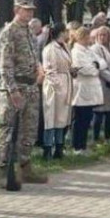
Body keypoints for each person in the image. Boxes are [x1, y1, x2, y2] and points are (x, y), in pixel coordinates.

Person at [0, 0, 47, 184]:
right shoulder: (8, 32)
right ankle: (4, 170)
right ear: (16, 10)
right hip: (14, 87)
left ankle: (25, 166)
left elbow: (34, 57)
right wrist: (13, 90)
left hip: (31, 86)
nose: (30, 12)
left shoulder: (30, 33)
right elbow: (5, 64)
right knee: (8, 129)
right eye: (26, 9)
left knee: (29, 130)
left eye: (31, 9)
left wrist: (39, 69)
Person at [70, 26, 105, 154]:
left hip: (91, 89)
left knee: (87, 119)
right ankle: (77, 146)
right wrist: (96, 67)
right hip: (82, 89)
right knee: (80, 119)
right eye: (88, 37)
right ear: (82, 37)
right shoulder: (76, 52)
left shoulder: (89, 51)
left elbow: (102, 62)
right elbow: (84, 69)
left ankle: (83, 145)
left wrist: (96, 66)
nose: (90, 39)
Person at [41, 23, 73, 160]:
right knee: (51, 117)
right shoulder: (50, 49)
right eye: (66, 31)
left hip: (65, 82)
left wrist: (72, 71)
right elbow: (50, 70)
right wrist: (59, 87)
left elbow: (67, 64)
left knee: (61, 118)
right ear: (61, 32)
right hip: (54, 88)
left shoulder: (65, 47)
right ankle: (47, 148)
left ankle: (59, 147)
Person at [91, 26, 110, 143]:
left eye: (104, 35)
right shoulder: (95, 49)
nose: (102, 37)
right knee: (99, 111)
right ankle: (96, 137)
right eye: (100, 35)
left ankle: (108, 137)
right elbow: (99, 67)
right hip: (102, 82)